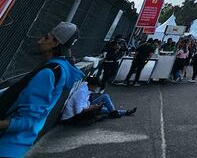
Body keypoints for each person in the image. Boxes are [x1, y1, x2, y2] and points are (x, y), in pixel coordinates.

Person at [0, 22, 84, 158]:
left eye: (46, 38)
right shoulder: (59, 68)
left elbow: (27, 120)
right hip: (19, 143)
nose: (39, 41)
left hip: (6, 146)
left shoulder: (48, 73)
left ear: (55, 43)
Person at [60, 76, 136, 124]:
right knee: (98, 108)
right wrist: (93, 107)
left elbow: (85, 105)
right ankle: (113, 113)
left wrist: (93, 106)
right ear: (91, 85)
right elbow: (78, 111)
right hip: (70, 118)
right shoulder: (81, 92)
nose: (96, 89)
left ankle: (123, 112)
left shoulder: (85, 88)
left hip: (79, 111)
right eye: (95, 87)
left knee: (101, 106)